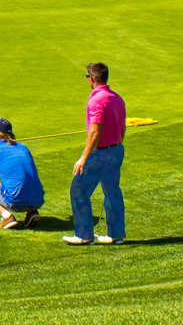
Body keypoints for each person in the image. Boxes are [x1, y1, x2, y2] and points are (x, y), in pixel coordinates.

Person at [64, 62, 127, 245]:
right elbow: (122, 127)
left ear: (92, 78)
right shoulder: (117, 98)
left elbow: (94, 132)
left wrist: (83, 158)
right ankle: (116, 235)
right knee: (112, 192)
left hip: (100, 154)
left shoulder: (96, 100)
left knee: (79, 190)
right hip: (116, 150)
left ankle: (84, 235)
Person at [0, 118, 44, 230]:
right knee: (24, 181)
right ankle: (32, 212)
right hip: (38, 200)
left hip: (16, 203)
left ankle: (7, 216)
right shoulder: (23, 147)